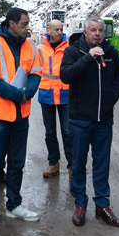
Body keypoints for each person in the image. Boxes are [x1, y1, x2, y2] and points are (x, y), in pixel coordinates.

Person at [60, 17, 119, 227]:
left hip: (103, 120)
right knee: (78, 163)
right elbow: (66, 76)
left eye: (100, 30)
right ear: (85, 32)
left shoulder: (111, 52)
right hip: (80, 119)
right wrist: (88, 57)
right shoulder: (73, 51)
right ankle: (80, 204)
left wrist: (112, 97)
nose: (97, 34)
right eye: (93, 30)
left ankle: (102, 205)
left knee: (102, 163)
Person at [0, 7, 42, 231]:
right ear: (11, 24)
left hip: (20, 116)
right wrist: (17, 94)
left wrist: (29, 92)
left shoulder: (30, 45)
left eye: (28, 24)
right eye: (24, 24)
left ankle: (14, 204)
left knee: (17, 163)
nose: (27, 28)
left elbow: (36, 72)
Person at [37, 19, 72, 179]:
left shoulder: (69, 48)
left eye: (61, 29)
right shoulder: (40, 49)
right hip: (47, 96)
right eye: (56, 29)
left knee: (68, 132)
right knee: (50, 132)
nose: (59, 32)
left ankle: (72, 165)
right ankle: (53, 163)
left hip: (65, 95)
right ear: (48, 30)